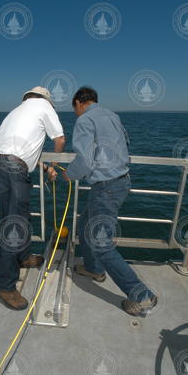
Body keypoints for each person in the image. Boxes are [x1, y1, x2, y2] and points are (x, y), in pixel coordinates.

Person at [62, 86, 157, 316]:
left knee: (100, 243)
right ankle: (94, 269)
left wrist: (69, 174)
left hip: (105, 187)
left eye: (74, 108)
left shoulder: (85, 120)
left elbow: (84, 161)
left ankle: (141, 295)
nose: (75, 112)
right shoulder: (112, 116)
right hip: (121, 181)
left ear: (78, 103)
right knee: (86, 223)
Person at [0, 86, 65, 310]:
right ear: (47, 100)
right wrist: (53, 166)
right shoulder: (44, 106)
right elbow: (59, 139)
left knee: (17, 218)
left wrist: (40, 165)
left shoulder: (17, 111)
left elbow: (20, 150)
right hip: (12, 170)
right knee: (15, 226)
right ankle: (4, 287)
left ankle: (23, 256)